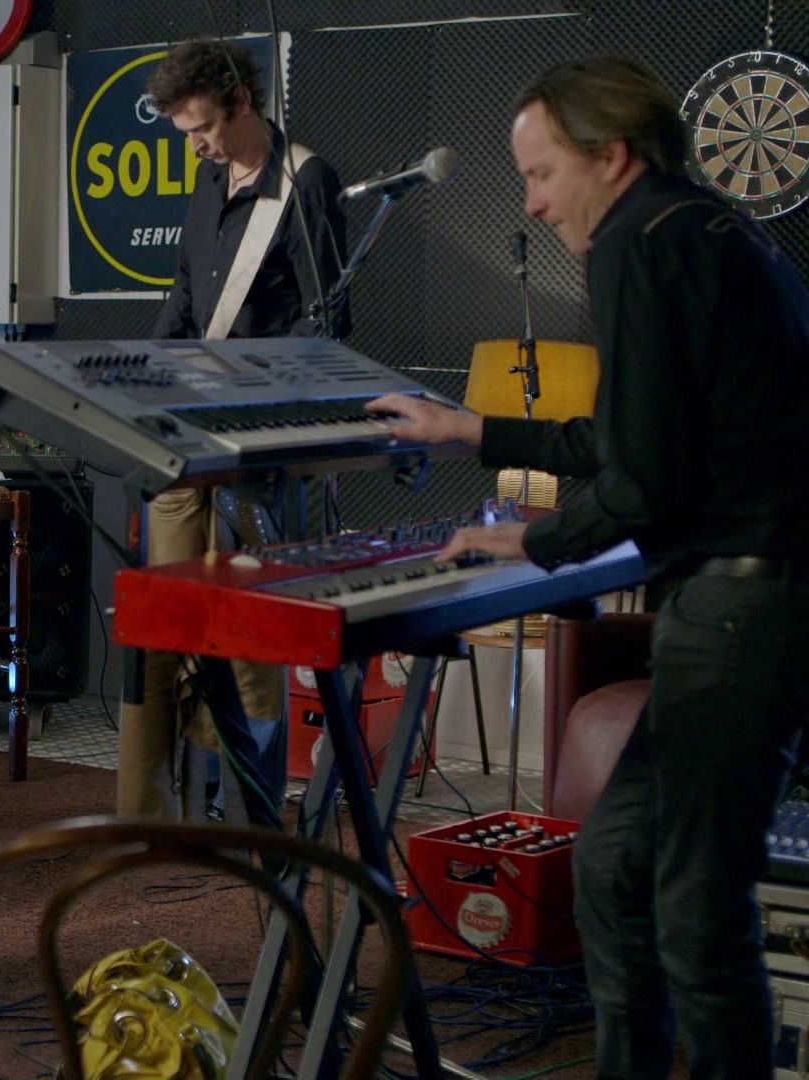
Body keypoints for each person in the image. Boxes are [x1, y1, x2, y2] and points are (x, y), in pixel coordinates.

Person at [369, 54, 809, 1079]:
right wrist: (474, 429)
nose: (532, 202)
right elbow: (631, 440)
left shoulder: (634, 244)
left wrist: (533, 541)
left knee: (697, 917)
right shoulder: (711, 229)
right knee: (614, 867)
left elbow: (642, 479)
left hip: (743, 609)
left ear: (610, 156)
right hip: (759, 609)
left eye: (541, 174)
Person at [120, 39, 348, 827]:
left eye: (204, 129)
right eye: (185, 134)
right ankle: (172, 804)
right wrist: (141, 380)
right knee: (174, 614)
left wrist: (250, 386)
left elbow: (327, 327)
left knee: (251, 628)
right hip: (191, 438)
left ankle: (252, 805)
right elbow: (185, 294)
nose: (196, 146)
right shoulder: (208, 180)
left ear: (242, 102)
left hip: (262, 447)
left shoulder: (306, 182)